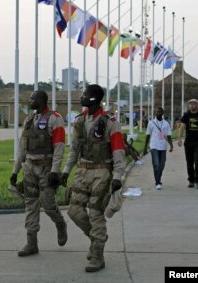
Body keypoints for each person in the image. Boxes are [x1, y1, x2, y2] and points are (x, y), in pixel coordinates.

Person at [60, 84, 125, 273]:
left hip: (102, 172)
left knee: (96, 213)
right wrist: (65, 171)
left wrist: (118, 176)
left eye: (85, 95)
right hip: (83, 171)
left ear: (94, 99)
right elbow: (73, 150)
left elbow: (118, 150)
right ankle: (98, 239)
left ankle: (97, 256)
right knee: (74, 211)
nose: (82, 97)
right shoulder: (80, 121)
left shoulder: (110, 121)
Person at [9, 90, 67, 257]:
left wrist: (55, 171)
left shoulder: (55, 119)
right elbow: (22, 147)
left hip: (46, 169)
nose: (30, 100)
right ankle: (31, 243)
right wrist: (15, 171)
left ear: (41, 100)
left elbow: (59, 146)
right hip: (29, 168)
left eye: (32, 98)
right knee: (31, 204)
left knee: (48, 205)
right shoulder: (29, 120)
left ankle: (60, 223)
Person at [178, 99, 198, 189]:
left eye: (194, 104)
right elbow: (182, 127)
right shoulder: (186, 116)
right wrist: (179, 138)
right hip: (188, 142)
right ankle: (191, 180)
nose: (192, 106)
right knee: (189, 162)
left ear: (197, 105)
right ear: (189, 106)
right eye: (190, 104)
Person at [143, 107, 173, 189]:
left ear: (163, 113)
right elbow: (148, 135)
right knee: (156, 164)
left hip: (163, 146)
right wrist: (145, 148)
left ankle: (158, 178)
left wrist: (171, 145)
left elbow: (169, 135)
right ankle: (158, 182)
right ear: (155, 113)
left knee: (162, 165)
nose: (158, 113)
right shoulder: (151, 123)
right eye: (157, 111)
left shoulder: (166, 123)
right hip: (154, 146)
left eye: (160, 111)